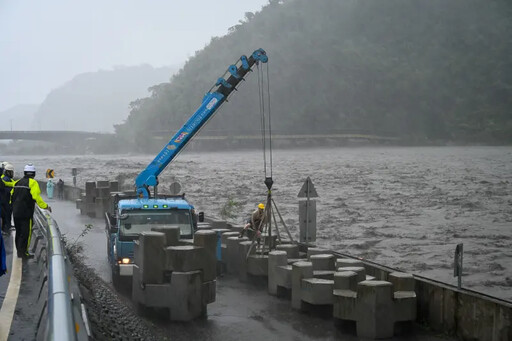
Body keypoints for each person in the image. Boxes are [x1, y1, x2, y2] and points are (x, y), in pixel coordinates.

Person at [11, 164, 52, 259]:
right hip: (26, 213)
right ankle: (23, 253)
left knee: (19, 232)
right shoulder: (33, 183)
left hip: (16, 212)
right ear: (34, 173)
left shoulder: (17, 182)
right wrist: (46, 206)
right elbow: (36, 197)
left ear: (25, 172)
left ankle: (19, 252)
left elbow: (11, 197)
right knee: (26, 233)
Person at [1, 163, 16, 234]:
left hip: (6, 200)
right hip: (6, 200)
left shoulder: (6, 179)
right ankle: (6, 227)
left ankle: (8, 226)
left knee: (7, 213)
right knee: (6, 213)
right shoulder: (5, 179)